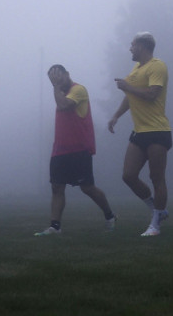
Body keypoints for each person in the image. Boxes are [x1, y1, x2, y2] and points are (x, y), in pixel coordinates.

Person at [36, 64, 117, 235]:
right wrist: (57, 88)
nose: (57, 80)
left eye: (59, 76)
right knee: (57, 188)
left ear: (67, 74)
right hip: (59, 150)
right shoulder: (59, 93)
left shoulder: (78, 90)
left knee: (87, 188)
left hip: (79, 149)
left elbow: (65, 105)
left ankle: (110, 215)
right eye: (53, 77)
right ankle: (55, 226)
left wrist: (56, 86)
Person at [107, 32, 171, 237]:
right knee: (128, 175)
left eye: (132, 45)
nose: (130, 48)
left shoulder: (157, 66)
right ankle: (157, 210)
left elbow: (152, 95)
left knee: (156, 177)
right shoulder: (136, 68)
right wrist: (116, 115)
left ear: (143, 46)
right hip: (139, 131)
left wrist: (127, 86)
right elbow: (130, 96)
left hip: (158, 131)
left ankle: (155, 225)